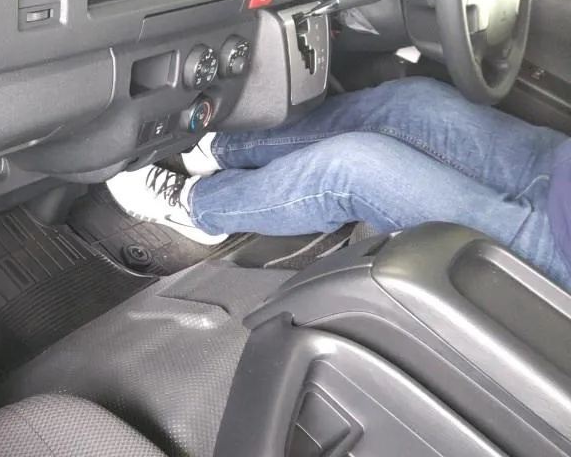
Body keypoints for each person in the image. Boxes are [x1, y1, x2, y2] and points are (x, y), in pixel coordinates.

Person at [106, 76, 571, 289]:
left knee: (352, 169)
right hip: (557, 162)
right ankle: (220, 150)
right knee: (414, 100)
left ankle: (198, 209)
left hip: (555, 250)